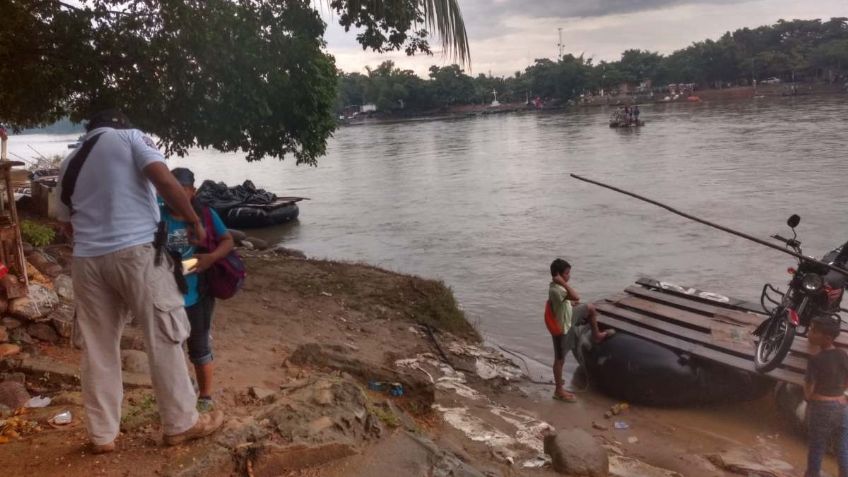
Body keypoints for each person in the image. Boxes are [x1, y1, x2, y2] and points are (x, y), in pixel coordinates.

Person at [56, 109, 224, 454]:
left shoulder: (69, 161)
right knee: (163, 334)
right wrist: (193, 220)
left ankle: (103, 435)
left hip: (87, 261)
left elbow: (63, 220)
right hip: (136, 254)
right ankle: (181, 422)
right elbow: (164, 180)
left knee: (98, 347)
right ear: (120, 123)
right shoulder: (131, 137)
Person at [162, 167, 234, 412]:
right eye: (171, 190)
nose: (176, 197)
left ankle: (205, 397)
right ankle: (184, 388)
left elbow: (228, 240)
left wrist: (211, 258)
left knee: (200, 348)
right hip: (165, 296)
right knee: (172, 347)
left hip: (197, 294)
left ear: (192, 191)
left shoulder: (205, 215)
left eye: (182, 191)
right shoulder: (157, 215)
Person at [546, 258, 613, 402]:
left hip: (565, 320)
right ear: (558, 275)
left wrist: (571, 302)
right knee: (559, 359)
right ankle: (558, 391)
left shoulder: (556, 288)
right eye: (567, 274)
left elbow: (569, 301)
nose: (569, 276)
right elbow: (576, 296)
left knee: (588, 308)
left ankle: (596, 335)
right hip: (562, 327)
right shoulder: (556, 289)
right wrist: (563, 284)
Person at [804, 315, 848, 477]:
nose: (809, 332)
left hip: (822, 407)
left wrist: (809, 398)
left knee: (817, 447)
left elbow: (809, 386)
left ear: (827, 338)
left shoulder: (815, 360)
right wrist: (845, 395)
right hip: (842, 407)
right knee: (842, 447)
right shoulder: (842, 354)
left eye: (813, 331)